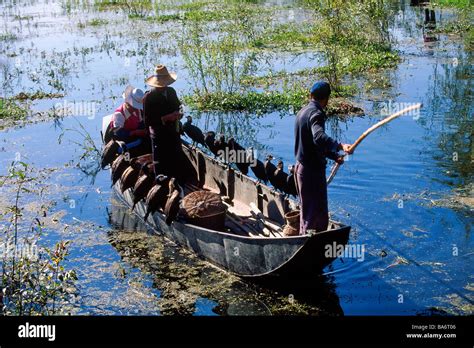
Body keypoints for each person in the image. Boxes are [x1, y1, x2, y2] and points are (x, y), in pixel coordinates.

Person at [294, 81, 352, 235]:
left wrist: (334, 156)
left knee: (309, 211)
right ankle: (309, 245)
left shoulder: (302, 111)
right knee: (314, 213)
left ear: (311, 95)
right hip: (311, 173)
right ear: (326, 99)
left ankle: (306, 240)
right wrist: (340, 146)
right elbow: (319, 137)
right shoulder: (316, 114)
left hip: (302, 168)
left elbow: (314, 144)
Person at [143, 65, 196, 184]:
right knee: (161, 166)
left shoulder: (171, 92)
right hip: (159, 136)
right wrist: (164, 118)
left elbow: (178, 107)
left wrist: (179, 114)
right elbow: (148, 122)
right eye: (161, 84)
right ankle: (162, 189)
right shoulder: (149, 97)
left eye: (165, 83)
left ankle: (179, 185)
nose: (163, 86)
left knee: (176, 161)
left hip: (173, 133)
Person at [104, 85, 151, 156]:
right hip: (122, 137)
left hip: (133, 134)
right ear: (128, 104)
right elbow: (118, 133)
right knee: (138, 142)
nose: (136, 108)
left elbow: (140, 123)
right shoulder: (119, 114)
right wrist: (135, 132)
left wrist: (144, 130)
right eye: (134, 106)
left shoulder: (137, 110)